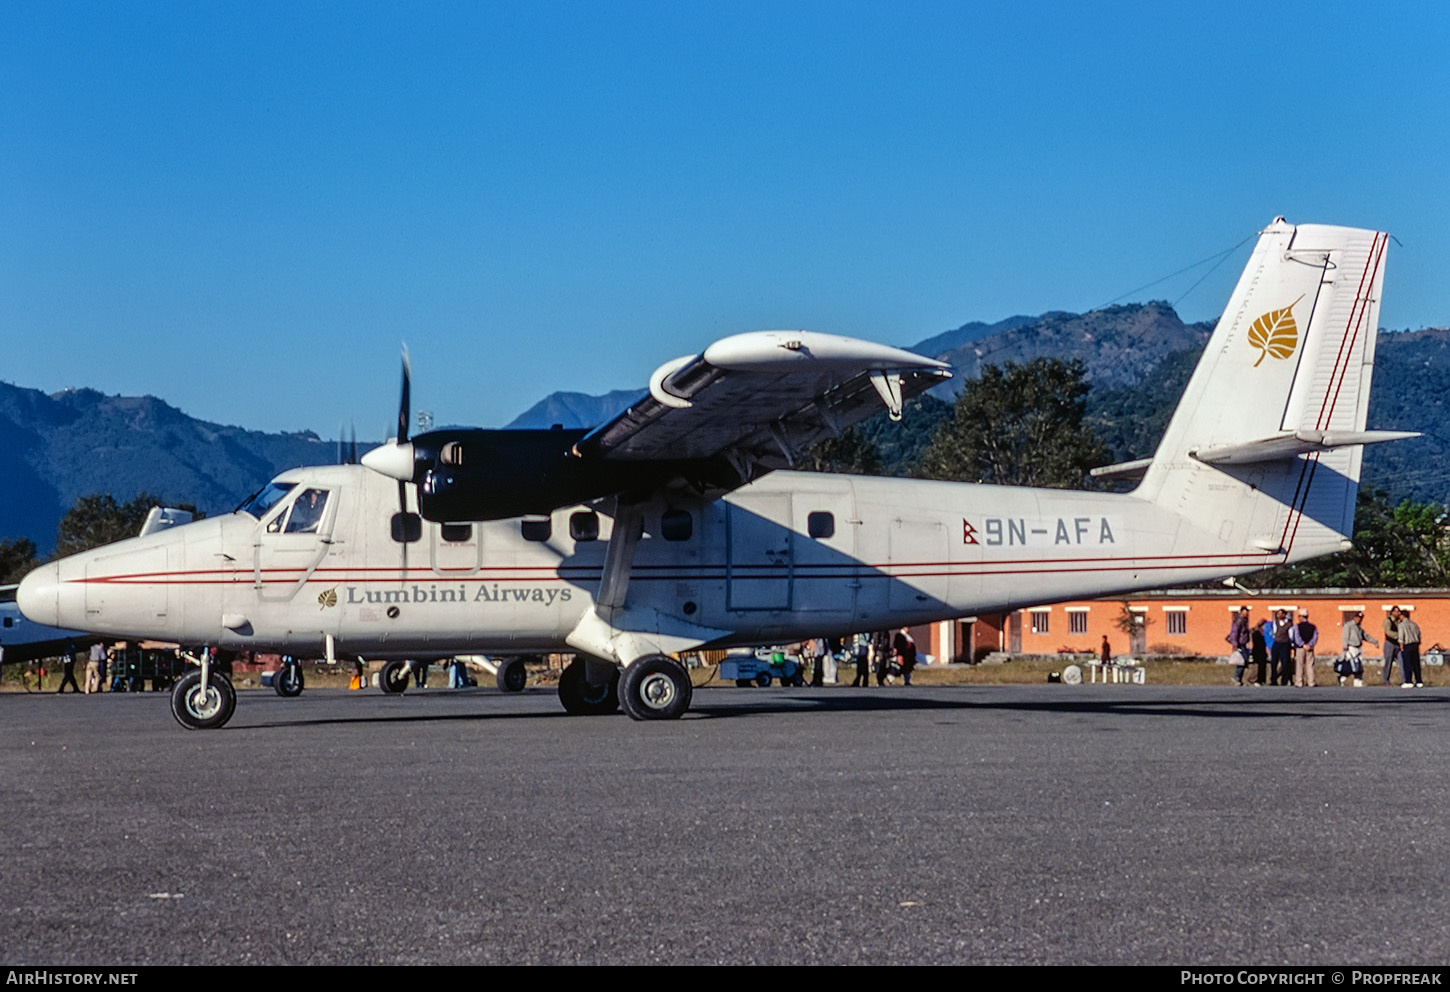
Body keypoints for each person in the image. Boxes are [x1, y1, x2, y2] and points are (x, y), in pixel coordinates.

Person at [1339, 611, 1378, 687]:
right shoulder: (1348, 625)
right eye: (1358, 618)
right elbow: (1345, 636)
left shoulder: (1359, 627)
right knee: (1351, 665)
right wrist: (1345, 646)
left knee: (1359, 665)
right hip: (1351, 647)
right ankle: (1342, 678)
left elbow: (1365, 636)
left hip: (1358, 647)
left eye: (1360, 618)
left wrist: (1374, 642)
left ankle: (1358, 681)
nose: (1359, 619)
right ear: (1355, 617)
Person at [1290, 610, 1319, 687]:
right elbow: (1315, 637)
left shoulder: (1297, 627)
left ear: (1301, 616)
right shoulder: (1313, 627)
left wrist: (1302, 645)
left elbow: (1297, 637)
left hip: (1300, 648)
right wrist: (1310, 645)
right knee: (1310, 665)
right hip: (1310, 648)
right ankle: (1311, 682)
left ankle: (1299, 682)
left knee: (1299, 665)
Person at [1226, 606, 1252, 686]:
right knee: (1242, 661)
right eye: (1245, 612)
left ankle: (1239, 680)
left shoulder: (1245, 621)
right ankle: (1236, 677)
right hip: (1239, 644)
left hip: (1243, 643)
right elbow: (1234, 633)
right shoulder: (1239, 621)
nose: (1246, 614)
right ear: (1241, 612)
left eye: (1247, 612)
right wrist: (1235, 644)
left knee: (1244, 661)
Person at [1398, 610, 1423, 688]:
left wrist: (1401, 647)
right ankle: (1419, 681)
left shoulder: (1401, 625)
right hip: (1415, 645)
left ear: (1402, 616)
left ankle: (1408, 681)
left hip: (1407, 645)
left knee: (1407, 664)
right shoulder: (1414, 625)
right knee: (1416, 664)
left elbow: (1401, 636)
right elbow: (1419, 635)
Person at [1270, 610, 1294, 685]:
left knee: (1285, 662)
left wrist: (1290, 643)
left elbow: (1291, 635)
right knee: (1274, 662)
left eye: (1280, 613)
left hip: (1285, 644)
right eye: (1278, 614)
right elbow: (1274, 632)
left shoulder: (1289, 624)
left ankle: (1284, 680)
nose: (1279, 615)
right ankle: (1273, 680)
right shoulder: (1275, 623)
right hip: (1277, 643)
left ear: (1284, 614)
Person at [1382, 606, 1403, 685]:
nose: (1398, 613)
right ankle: (1385, 680)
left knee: (1402, 662)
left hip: (1398, 644)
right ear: (1392, 612)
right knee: (1388, 662)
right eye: (1397, 611)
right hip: (1390, 643)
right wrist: (1398, 635)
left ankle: (1405, 680)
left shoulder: (1400, 622)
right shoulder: (1388, 621)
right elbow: (1388, 632)